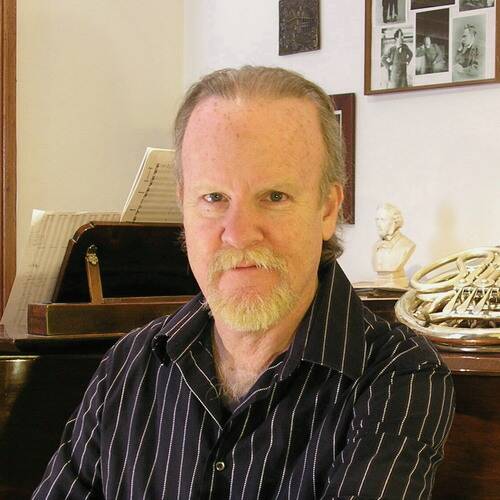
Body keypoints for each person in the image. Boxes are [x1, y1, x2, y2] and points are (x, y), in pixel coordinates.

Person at [32, 66, 454, 499]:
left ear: (328, 209)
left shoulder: (397, 375)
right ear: (183, 206)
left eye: (274, 196)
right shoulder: (127, 366)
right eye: (214, 197)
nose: (239, 234)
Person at [373, 203, 416, 288]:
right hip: (379, 284)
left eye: (382, 219)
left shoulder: (407, 245)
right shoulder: (375, 246)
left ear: (395, 222)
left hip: (397, 283)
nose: (378, 224)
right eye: (377, 219)